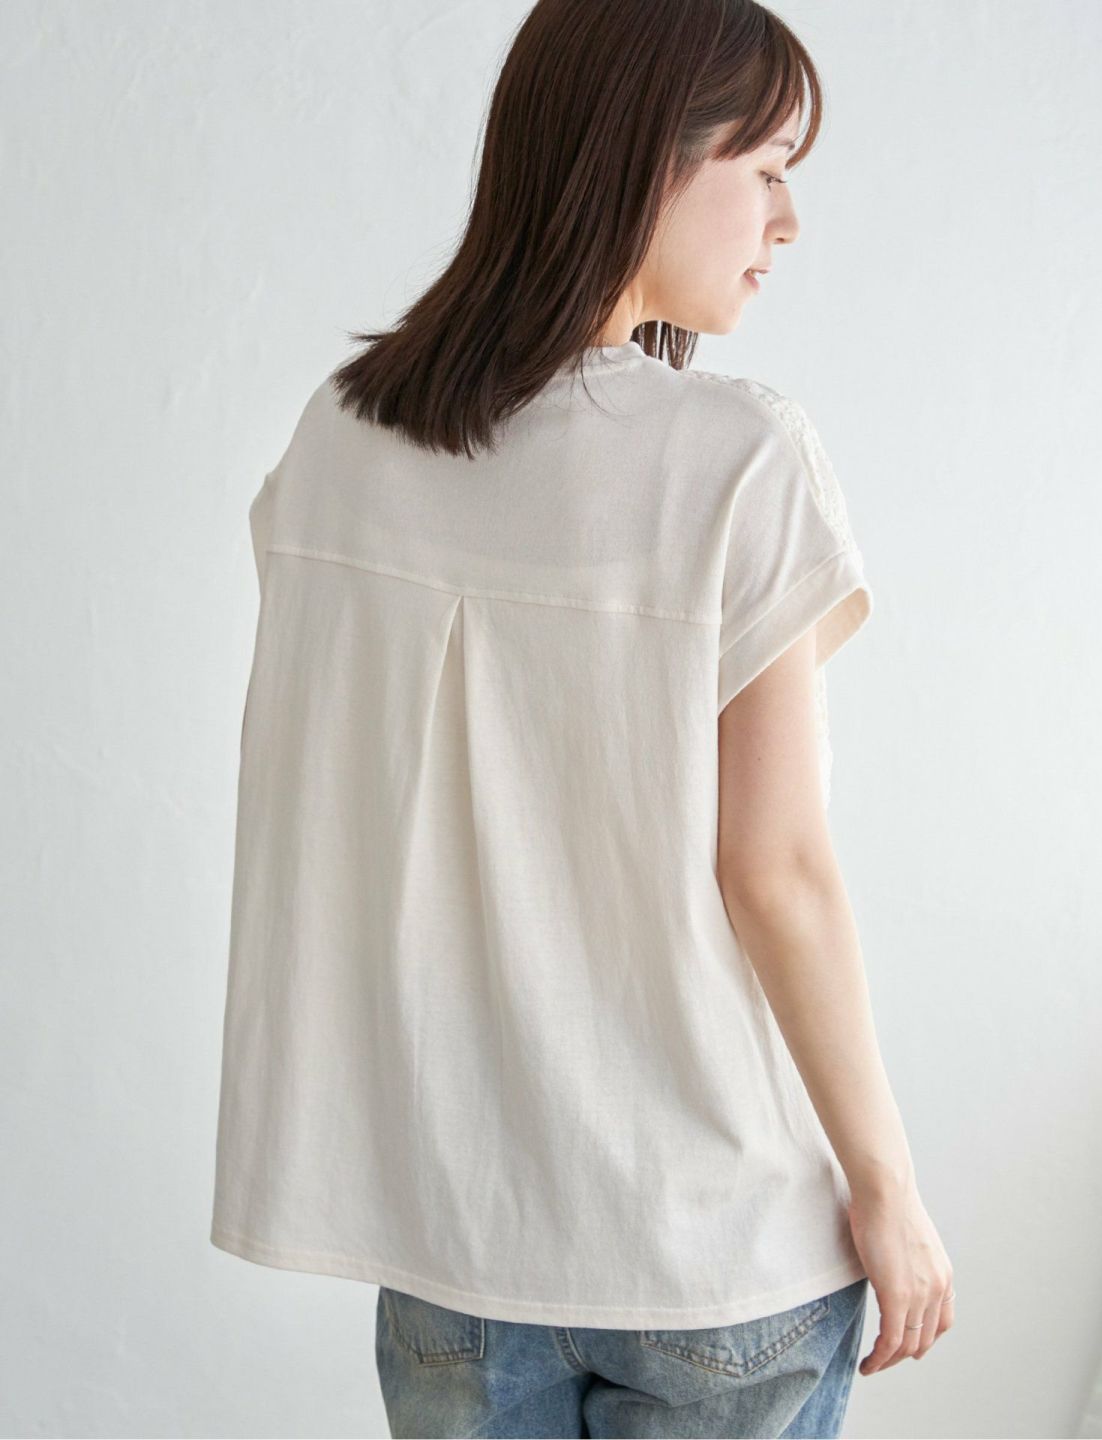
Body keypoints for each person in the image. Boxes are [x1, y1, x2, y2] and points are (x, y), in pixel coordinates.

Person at [209, 0, 955, 1435]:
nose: (787, 221)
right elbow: (778, 872)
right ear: (645, 157)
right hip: (715, 1249)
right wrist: (890, 1187)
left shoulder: (340, 438)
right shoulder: (737, 459)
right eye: (766, 168)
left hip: (451, 1240)